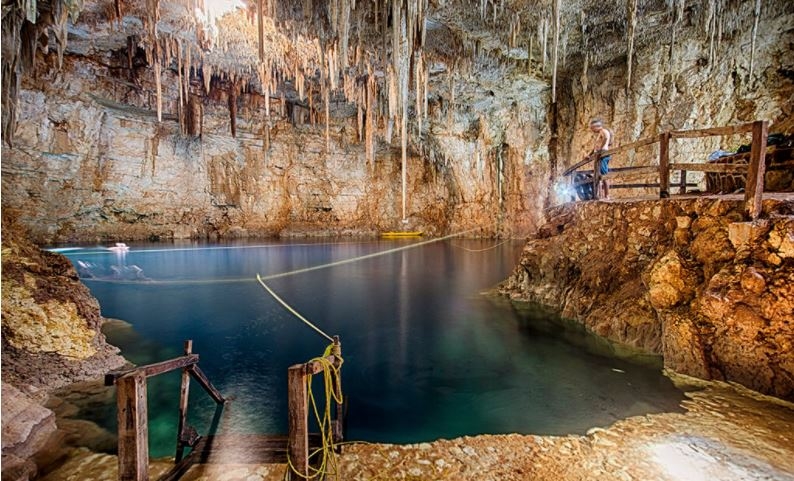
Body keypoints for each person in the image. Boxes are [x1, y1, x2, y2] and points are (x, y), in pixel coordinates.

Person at [583, 118, 612, 199]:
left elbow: (606, 138)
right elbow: (595, 147)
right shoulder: (600, 133)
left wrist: (600, 150)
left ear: (596, 126)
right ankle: (600, 195)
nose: (592, 130)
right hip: (599, 155)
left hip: (603, 154)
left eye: (592, 128)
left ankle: (607, 195)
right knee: (599, 175)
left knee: (604, 174)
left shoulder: (604, 131)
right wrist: (589, 155)